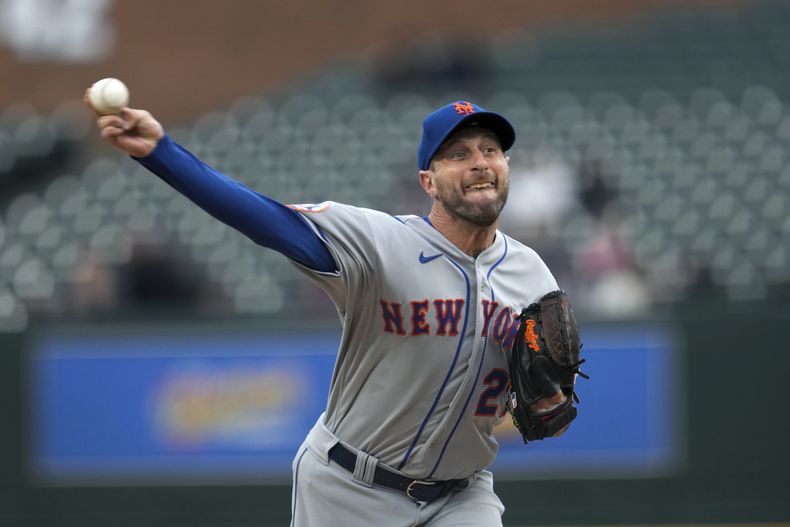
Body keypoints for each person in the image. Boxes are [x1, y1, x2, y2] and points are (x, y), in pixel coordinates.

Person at [87, 94, 569, 526]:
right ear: (428, 181)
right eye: (459, 154)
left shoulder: (532, 276)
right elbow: (265, 219)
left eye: (490, 150)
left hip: (462, 498)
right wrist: (162, 153)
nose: (480, 163)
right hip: (350, 489)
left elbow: (548, 389)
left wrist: (551, 401)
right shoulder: (379, 243)